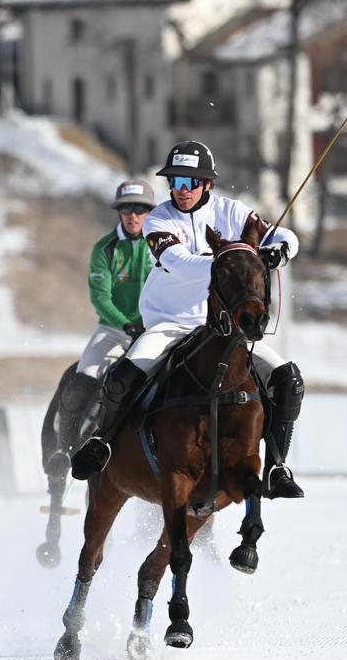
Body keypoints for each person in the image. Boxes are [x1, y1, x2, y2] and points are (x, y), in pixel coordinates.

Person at [70, 140, 305, 499]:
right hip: (170, 323)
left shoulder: (231, 211)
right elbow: (179, 265)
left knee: (289, 380)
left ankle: (276, 466)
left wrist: (278, 251)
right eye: (175, 182)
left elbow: (285, 235)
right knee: (123, 378)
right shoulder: (159, 219)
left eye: (189, 182)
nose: (181, 190)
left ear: (207, 184)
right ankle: (101, 443)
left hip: (222, 329)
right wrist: (234, 259)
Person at [52, 179, 157, 471]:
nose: (132, 215)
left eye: (139, 208)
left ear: (149, 211)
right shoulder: (105, 248)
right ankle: (65, 451)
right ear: (118, 212)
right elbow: (100, 297)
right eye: (126, 209)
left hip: (155, 329)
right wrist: (127, 324)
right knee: (83, 376)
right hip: (113, 330)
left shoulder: (162, 245)